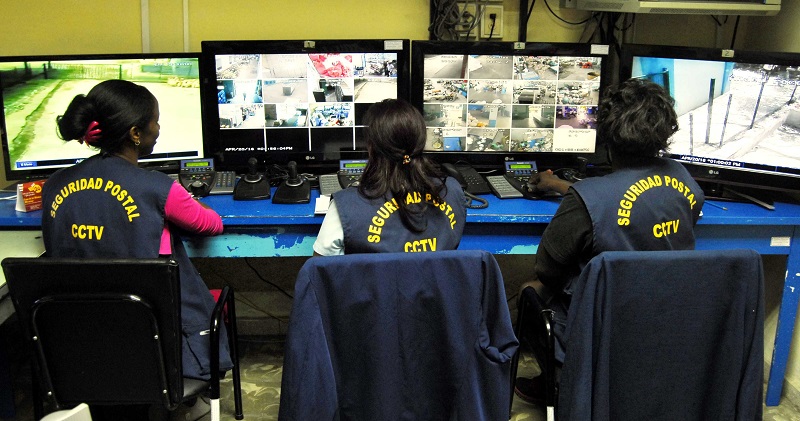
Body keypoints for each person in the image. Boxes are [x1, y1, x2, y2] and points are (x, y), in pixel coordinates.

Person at [41, 80, 232, 419]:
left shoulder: (53, 185)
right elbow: (210, 225)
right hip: (149, 342)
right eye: (155, 121)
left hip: (80, 346)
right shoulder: (158, 187)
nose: (158, 129)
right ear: (135, 133)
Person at [514, 78, 705, 404]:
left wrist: (572, 194)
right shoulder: (686, 181)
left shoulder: (588, 200)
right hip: (661, 323)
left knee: (528, 291)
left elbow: (547, 268)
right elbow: (631, 196)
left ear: (607, 136)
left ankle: (556, 380)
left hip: (597, 329)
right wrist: (562, 186)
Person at [313, 98, 466, 255]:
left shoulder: (345, 207)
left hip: (373, 281)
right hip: (435, 280)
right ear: (421, 141)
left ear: (371, 147)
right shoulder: (453, 191)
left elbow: (320, 271)